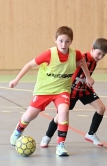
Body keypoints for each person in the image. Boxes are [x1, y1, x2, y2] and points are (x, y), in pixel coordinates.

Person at [9, 26, 94, 156]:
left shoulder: (75, 54)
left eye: (67, 41)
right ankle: (17, 131)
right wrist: (16, 79)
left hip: (62, 90)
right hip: (44, 90)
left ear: (71, 41)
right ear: (55, 40)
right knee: (29, 116)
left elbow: (82, 63)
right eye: (60, 41)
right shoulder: (49, 54)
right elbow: (30, 64)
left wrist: (88, 77)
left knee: (64, 111)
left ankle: (61, 145)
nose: (63, 44)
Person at [40, 38, 107, 148]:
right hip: (71, 90)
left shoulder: (94, 61)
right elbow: (71, 65)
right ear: (92, 48)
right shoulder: (82, 57)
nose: (100, 57)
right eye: (99, 53)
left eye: (103, 55)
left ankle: (91, 134)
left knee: (101, 108)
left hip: (85, 89)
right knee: (60, 116)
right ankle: (47, 136)